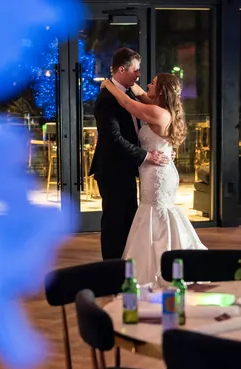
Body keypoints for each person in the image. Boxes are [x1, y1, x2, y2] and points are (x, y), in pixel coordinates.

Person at [100, 72, 206, 286]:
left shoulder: (158, 113)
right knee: (154, 213)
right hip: (155, 169)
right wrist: (130, 82)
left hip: (157, 173)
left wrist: (108, 84)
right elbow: (140, 94)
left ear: (161, 91)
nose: (148, 84)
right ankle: (158, 262)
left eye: (153, 83)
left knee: (157, 213)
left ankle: (158, 266)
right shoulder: (163, 109)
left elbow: (126, 102)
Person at [90, 48, 169, 260]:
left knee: (128, 219)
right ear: (122, 69)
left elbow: (134, 101)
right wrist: (146, 156)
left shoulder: (127, 93)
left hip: (127, 167)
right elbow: (114, 140)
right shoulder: (107, 98)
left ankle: (127, 264)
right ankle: (112, 269)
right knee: (114, 222)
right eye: (135, 70)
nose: (138, 75)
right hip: (113, 169)